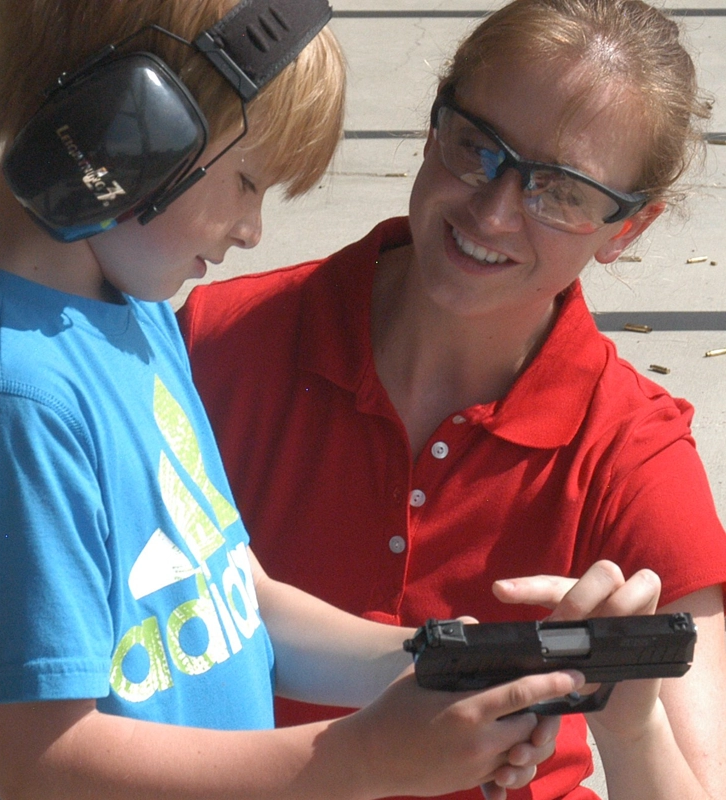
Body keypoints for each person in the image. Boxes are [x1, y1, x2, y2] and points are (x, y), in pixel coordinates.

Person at [0, 1, 609, 798]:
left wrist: (463, 666)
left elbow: (244, 603)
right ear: (122, 130)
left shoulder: (135, 316)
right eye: (248, 181)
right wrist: (359, 759)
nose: (251, 230)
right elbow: (42, 765)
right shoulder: (11, 395)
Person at [179, 0, 726, 798]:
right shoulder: (216, 346)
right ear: (434, 121)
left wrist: (631, 722)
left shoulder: (628, 449)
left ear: (627, 229)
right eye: (478, 147)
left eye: (562, 192)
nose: (495, 209)